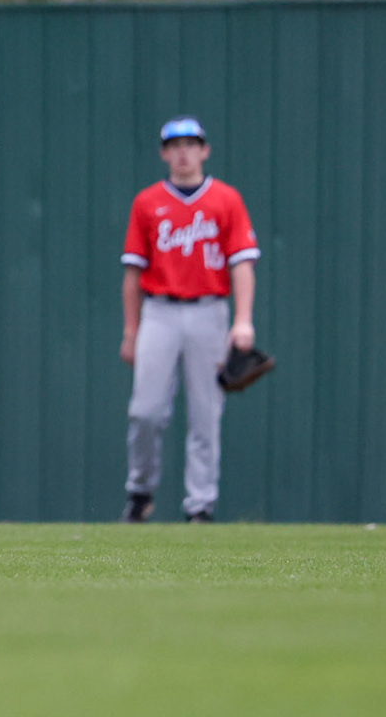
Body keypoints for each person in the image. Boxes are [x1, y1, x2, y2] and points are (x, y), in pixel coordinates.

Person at [119, 117, 259, 523]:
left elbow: (242, 264)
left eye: (190, 144)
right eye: (175, 145)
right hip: (159, 311)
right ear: (164, 153)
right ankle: (140, 491)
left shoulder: (226, 199)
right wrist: (132, 329)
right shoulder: (147, 202)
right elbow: (132, 274)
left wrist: (243, 320)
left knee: (205, 413)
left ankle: (200, 505)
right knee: (145, 411)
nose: (183, 152)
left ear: (205, 150)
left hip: (209, 310)